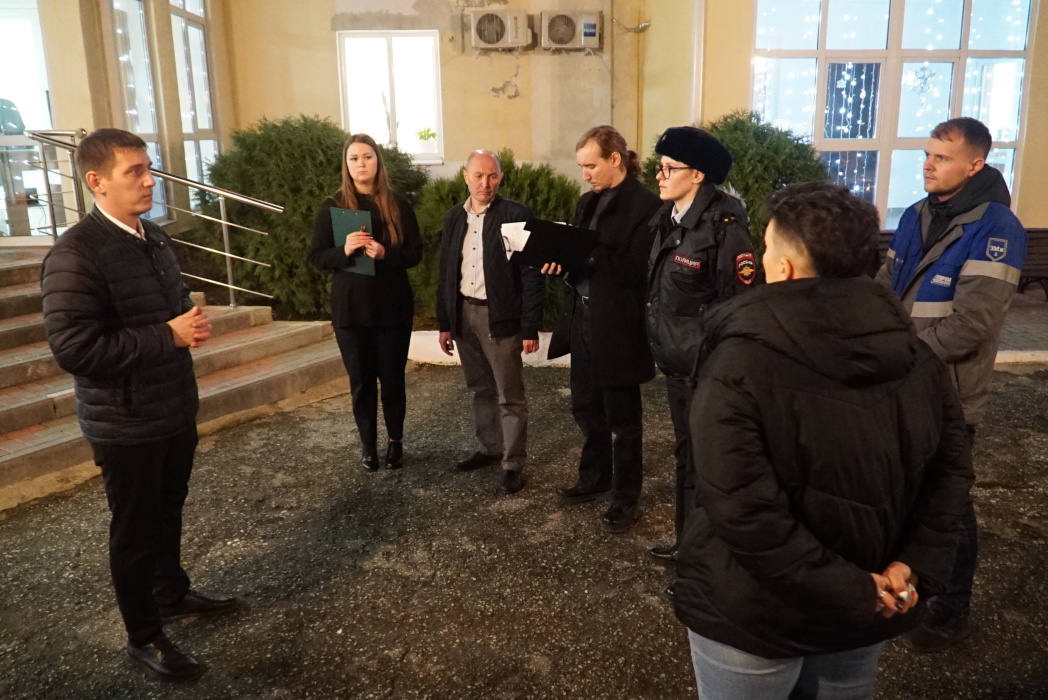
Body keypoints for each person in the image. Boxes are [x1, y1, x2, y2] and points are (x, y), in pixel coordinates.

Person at [673, 181, 974, 699]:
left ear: (786, 268)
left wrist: (858, 587)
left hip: (757, 616)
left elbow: (742, 508)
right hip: (871, 601)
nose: (760, 259)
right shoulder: (918, 357)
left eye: (768, 247)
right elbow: (950, 475)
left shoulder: (739, 362)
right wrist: (909, 567)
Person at [40, 128, 236, 681]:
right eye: (135, 172)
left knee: (168, 510)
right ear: (97, 182)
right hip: (125, 422)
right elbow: (75, 349)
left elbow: (169, 305)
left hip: (171, 406)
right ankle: (143, 637)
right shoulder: (74, 255)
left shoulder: (153, 237)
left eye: (149, 169)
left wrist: (186, 319)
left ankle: (169, 593)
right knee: (135, 529)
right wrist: (167, 336)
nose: (150, 181)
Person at [876, 117, 1027, 653]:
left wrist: (900, 356)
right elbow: (885, 287)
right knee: (904, 493)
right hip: (901, 382)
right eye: (927, 154)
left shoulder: (998, 228)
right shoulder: (917, 214)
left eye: (941, 157)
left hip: (949, 394)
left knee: (948, 506)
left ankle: (951, 607)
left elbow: (972, 325)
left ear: (975, 164)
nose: (928, 165)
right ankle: (908, 585)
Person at [645, 126, 758, 562]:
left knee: (708, 464)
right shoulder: (669, 218)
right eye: (659, 167)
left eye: (669, 168)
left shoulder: (724, 227)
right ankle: (688, 548)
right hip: (680, 367)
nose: (659, 176)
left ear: (697, 175)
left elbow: (739, 305)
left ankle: (704, 560)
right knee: (687, 459)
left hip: (708, 371)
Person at [546, 125, 661, 533]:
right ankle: (595, 477)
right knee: (585, 405)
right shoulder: (586, 202)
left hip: (618, 326)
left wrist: (588, 254)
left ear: (615, 159)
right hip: (584, 318)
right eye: (581, 167)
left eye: (591, 166)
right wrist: (559, 261)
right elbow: (579, 259)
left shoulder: (646, 205)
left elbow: (636, 269)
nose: (585, 175)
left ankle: (625, 498)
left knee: (622, 420)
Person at [310, 134, 423, 471]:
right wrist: (344, 250)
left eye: (368, 157)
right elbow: (317, 256)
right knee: (361, 382)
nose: (361, 164)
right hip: (351, 310)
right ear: (346, 165)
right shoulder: (332, 206)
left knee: (392, 380)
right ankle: (368, 446)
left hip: (391, 307)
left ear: (378, 161)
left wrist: (386, 254)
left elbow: (415, 253)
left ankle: (395, 442)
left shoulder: (397, 204)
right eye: (354, 158)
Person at [435, 150, 544, 495]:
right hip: (463, 314)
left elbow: (531, 274)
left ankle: (513, 463)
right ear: (465, 177)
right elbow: (446, 271)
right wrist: (445, 322)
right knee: (480, 388)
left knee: (509, 395)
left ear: (501, 177)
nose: (486, 183)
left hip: (499, 318)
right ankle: (490, 447)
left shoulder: (515, 216)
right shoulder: (455, 217)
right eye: (479, 176)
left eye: (493, 175)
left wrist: (529, 326)